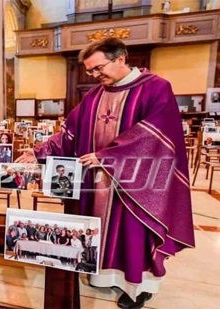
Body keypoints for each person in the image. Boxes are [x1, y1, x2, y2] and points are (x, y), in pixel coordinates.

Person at [15, 37, 194, 308]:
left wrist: (107, 156)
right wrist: (38, 152)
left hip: (138, 183)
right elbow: (69, 133)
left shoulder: (157, 88)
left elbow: (157, 136)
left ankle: (138, 287)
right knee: (99, 229)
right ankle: (105, 276)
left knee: (134, 233)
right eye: (90, 71)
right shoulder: (95, 95)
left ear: (120, 59)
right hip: (97, 181)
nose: (95, 75)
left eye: (99, 68)